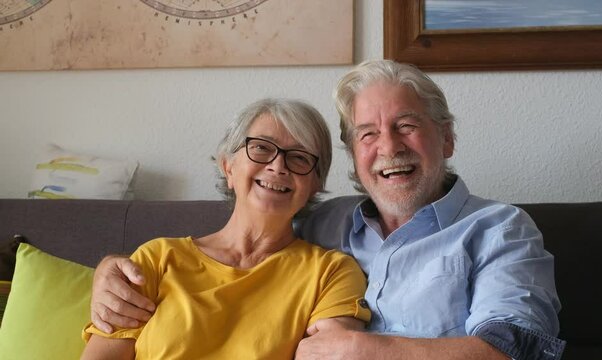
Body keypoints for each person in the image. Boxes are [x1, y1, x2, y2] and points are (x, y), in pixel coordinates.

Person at [90, 60, 566, 359]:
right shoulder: (327, 222)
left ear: (447, 138)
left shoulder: (499, 228)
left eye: (406, 126)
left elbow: (515, 348)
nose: (389, 147)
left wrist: (364, 350)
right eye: (368, 134)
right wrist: (108, 269)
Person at [80, 98, 371, 359]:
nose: (278, 166)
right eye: (261, 148)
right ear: (228, 166)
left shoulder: (332, 273)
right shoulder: (156, 259)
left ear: (315, 185)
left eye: (299, 157)